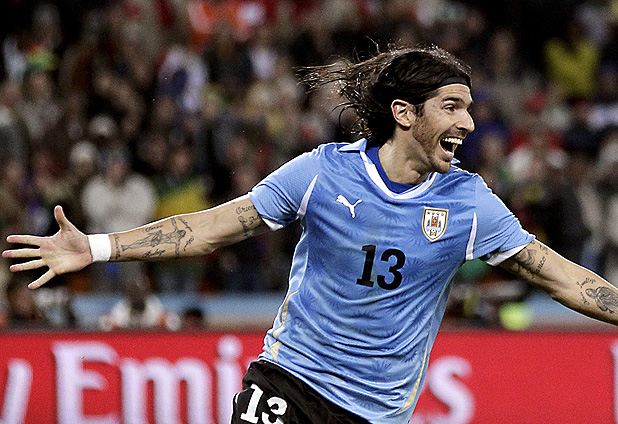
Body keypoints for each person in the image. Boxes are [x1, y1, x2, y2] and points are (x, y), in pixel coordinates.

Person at [3, 44, 618, 424]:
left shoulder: (470, 203)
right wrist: (99, 246)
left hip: (375, 414)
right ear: (405, 114)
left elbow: (558, 277)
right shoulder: (322, 173)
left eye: (469, 107)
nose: (470, 122)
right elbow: (213, 228)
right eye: (452, 107)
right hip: (289, 384)